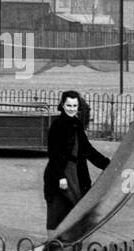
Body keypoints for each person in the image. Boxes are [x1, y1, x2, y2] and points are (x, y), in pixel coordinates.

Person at [43, 90, 110, 231]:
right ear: (62, 105)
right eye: (68, 105)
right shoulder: (57, 125)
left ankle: (74, 249)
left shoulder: (77, 124)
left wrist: (106, 164)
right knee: (57, 213)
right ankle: (53, 246)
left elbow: (87, 149)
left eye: (74, 106)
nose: (71, 109)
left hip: (76, 174)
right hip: (60, 175)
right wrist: (60, 177)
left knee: (77, 212)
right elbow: (54, 154)